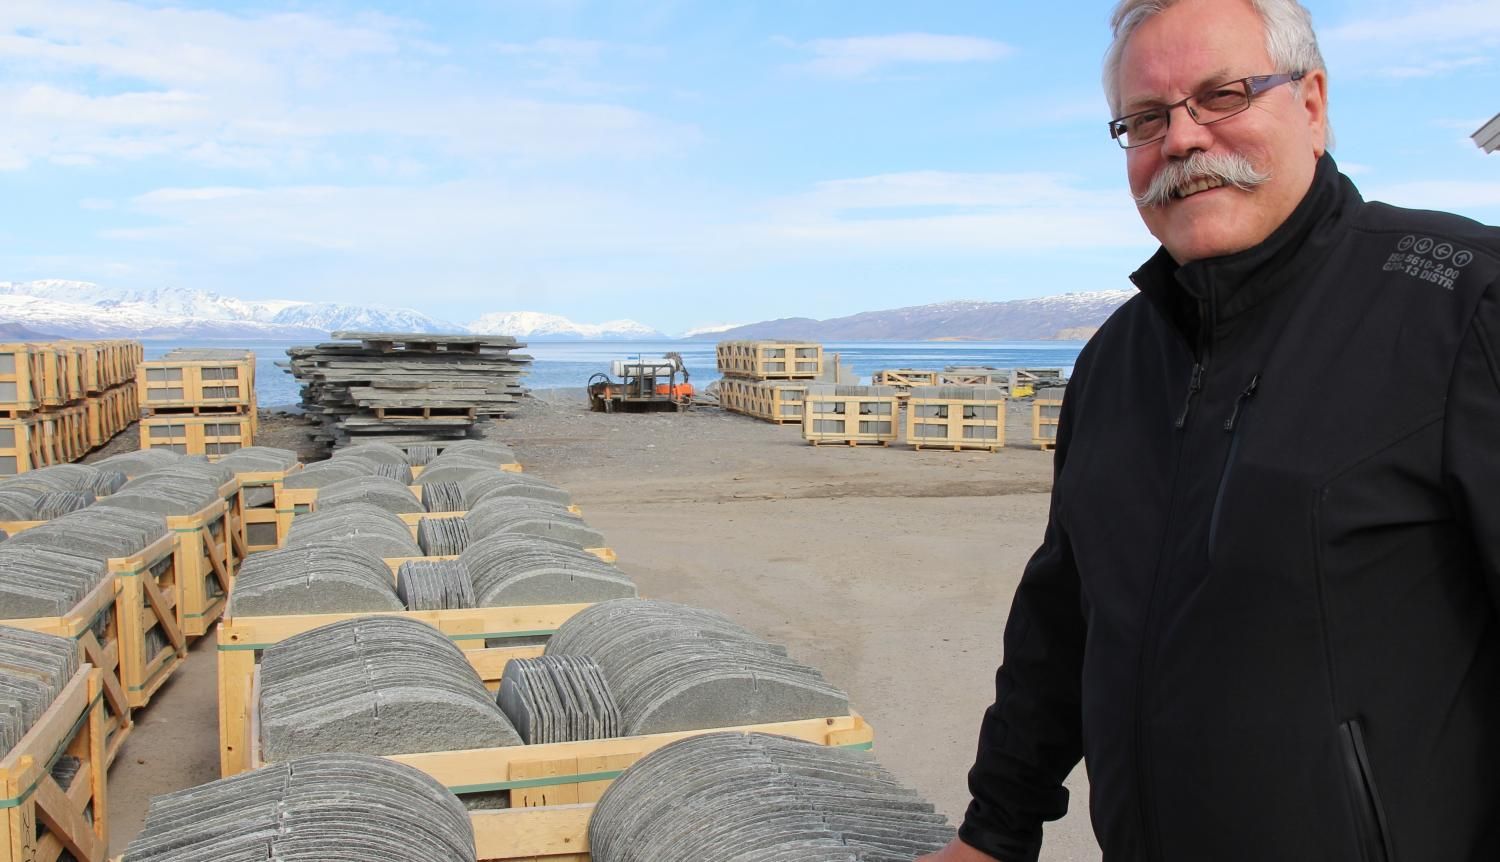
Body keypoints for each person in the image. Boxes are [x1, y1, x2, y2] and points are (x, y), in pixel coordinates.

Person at [919, 0, 1500, 859]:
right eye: (1146, 119)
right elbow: (1061, 620)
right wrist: (994, 831)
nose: (1183, 140)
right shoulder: (1115, 362)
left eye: (1223, 96)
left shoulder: (1463, 306)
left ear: (1311, 104)